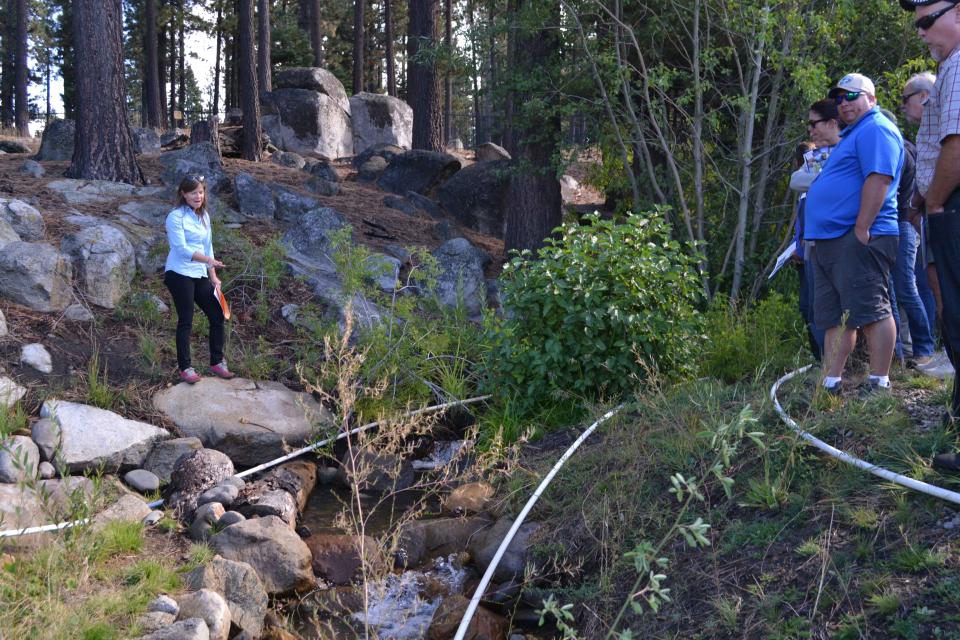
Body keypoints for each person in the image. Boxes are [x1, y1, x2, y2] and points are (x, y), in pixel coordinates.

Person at [804, 73, 904, 395]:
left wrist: (861, 228)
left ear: (871, 99)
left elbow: (879, 178)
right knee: (835, 317)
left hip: (857, 236)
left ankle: (879, 382)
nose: (844, 103)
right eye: (839, 98)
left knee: (872, 310)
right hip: (831, 240)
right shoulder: (853, 133)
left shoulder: (875, 128)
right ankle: (830, 382)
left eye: (852, 96)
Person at [900, 0, 960, 472]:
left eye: (926, 21)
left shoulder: (959, 64)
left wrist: (935, 201)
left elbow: (956, 145)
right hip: (944, 206)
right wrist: (923, 200)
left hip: (954, 207)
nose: (921, 33)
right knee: (953, 319)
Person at [164, 175, 235, 384]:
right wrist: (208, 260)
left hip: (200, 273)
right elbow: (181, 249)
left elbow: (208, 246)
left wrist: (213, 276)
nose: (198, 196)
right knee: (186, 319)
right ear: (183, 194)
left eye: (201, 192)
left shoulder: (204, 217)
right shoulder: (175, 217)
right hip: (178, 273)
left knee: (217, 315)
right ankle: (185, 367)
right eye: (193, 192)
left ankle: (217, 362)